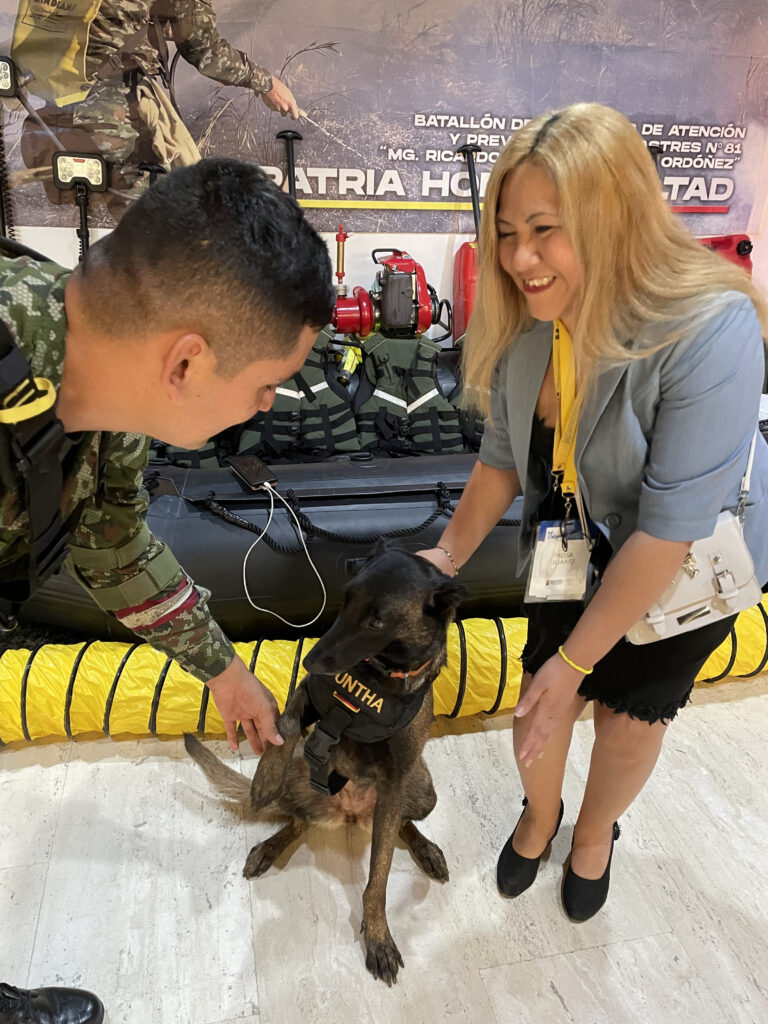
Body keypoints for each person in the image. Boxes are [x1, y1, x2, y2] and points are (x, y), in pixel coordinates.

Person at [0, 157, 334, 1023]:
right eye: (264, 385)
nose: (263, 409)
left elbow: (111, 541)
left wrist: (224, 671)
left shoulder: (107, 402)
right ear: (187, 360)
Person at [420, 102, 768, 921]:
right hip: (568, 541)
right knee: (538, 704)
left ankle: (594, 833)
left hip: (676, 565)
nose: (519, 258)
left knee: (628, 720)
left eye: (546, 229)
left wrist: (577, 663)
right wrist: (440, 563)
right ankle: (539, 817)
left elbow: (668, 526)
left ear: (614, 216)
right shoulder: (527, 322)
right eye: (507, 231)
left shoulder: (711, 326)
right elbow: (501, 464)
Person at [15, 0, 300, 212]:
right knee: (158, 224)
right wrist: (267, 83)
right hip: (112, 108)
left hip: (53, 106)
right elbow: (204, 50)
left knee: (108, 227)